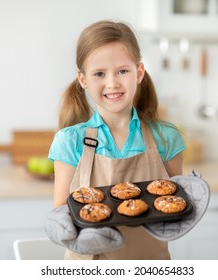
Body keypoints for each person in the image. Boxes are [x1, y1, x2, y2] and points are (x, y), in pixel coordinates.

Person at [45, 20, 208, 260]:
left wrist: (186, 211)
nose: (112, 83)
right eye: (99, 73)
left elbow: (174, 198)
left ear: (139, 72)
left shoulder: (165, 137)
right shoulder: (70, 141)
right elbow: (62, 208)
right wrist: (72, 232)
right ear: (83, 80)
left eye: (122, 71)